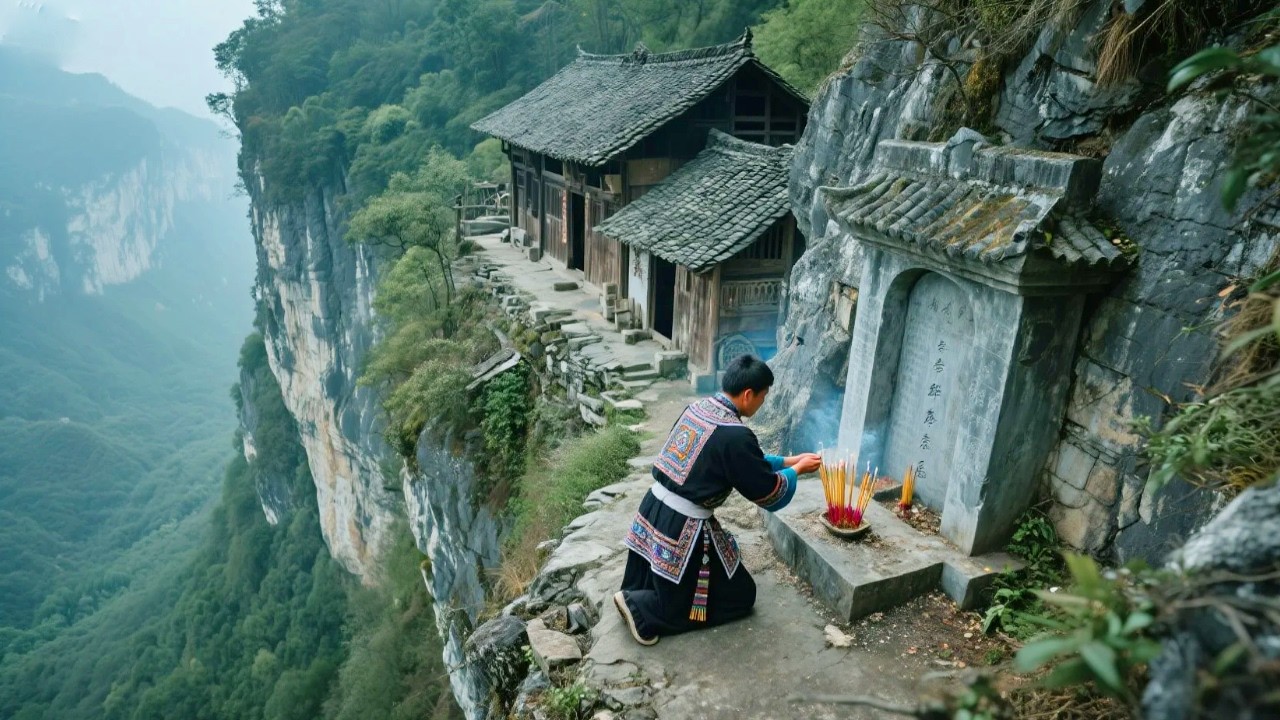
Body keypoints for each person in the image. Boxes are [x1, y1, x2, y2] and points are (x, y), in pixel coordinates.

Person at [613, 354, 821, 645]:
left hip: (652, 510)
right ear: (748, 395)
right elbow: (769, 492)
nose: (763, 404)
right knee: (741, 595)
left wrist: (790, 459)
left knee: (673, 579)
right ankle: (643, 611)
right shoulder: (736, 435)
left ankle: (637, 594)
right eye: (763, 397)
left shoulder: (698, 408)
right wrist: (797, 470)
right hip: (681, 527)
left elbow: (745, 462)